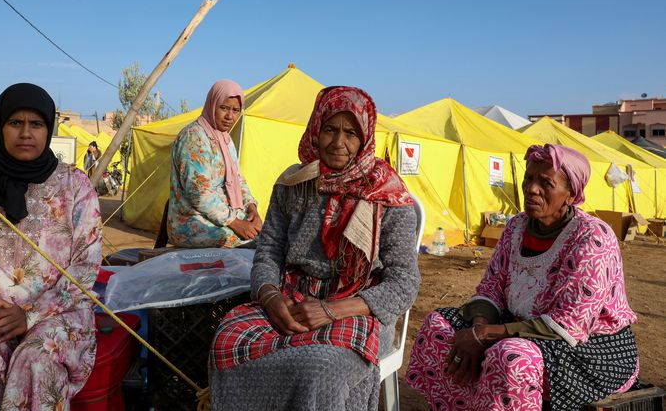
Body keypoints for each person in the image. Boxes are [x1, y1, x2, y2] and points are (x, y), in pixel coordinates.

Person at [209, 86, 420, 410]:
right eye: (330, 129)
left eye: (351, 133)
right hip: (291, 298)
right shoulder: (293, 184)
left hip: (358, 306)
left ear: (365, 139)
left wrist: (331, 310)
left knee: (318, 369)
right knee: (226, 342)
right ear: (315, 130)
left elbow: (404, 283)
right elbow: (268, 251)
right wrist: (271, 297)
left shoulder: (387, 195)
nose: (338, 142)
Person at [405, 144, 639, 411]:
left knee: (510, 357)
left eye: (546, 183)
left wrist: (485, 335)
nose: (532, 189)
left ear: (571, 194)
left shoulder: (591, 237)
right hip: (518, 326)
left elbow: (570, 323)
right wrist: (478, 329)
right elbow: (491, 287)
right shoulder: (516, 226)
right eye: (529, 178)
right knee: (438, 328)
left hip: (586, 349)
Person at [0, 83, 103, 410]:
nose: (26, 133)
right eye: (15, 123)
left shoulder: (75, 185)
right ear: (1, 127)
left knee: (37, 361)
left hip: (58, 314)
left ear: (48, 130)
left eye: (36, 124)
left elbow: (86, 267)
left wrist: (30, 314)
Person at [167, 79, 261, 248]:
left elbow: (239, 180)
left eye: (235, 110)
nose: (229, 116)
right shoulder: (194, 137)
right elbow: (200, 194)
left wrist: (251, 208)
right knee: (243, 242)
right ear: (212, 104)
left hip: (223, 217)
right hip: (192, 221)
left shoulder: (225, 140)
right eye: (224, 108)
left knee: (267, 236)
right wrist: (236, 223)